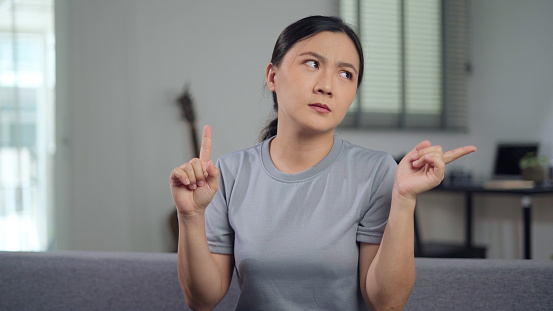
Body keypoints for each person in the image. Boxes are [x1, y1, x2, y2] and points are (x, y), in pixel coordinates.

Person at [170, 15, 476, 310]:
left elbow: (387, 303)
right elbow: (202, 300)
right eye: (312, 64)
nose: (327, 86)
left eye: (346, 74)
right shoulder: (230, 173)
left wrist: (404, 199)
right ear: (273, 77)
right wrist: (191, 216)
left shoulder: (377, 172)